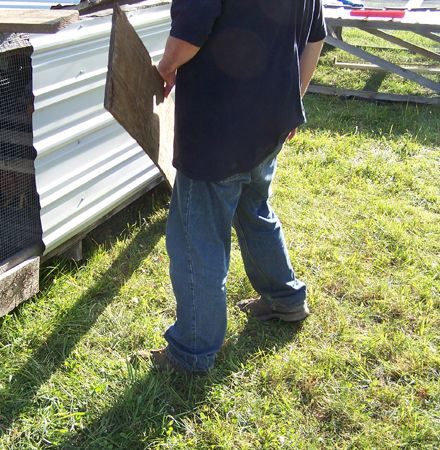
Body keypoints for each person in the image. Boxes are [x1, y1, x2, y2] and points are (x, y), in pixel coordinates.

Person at [144, 0, 327, 374]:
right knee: (253, 209)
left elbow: (187, 38)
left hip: (216, 132)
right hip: (270, 121)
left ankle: (192, 350)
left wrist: (164, 68)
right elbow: (315, 38)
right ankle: (285, 298)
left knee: (197, 239)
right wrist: (295, 98)